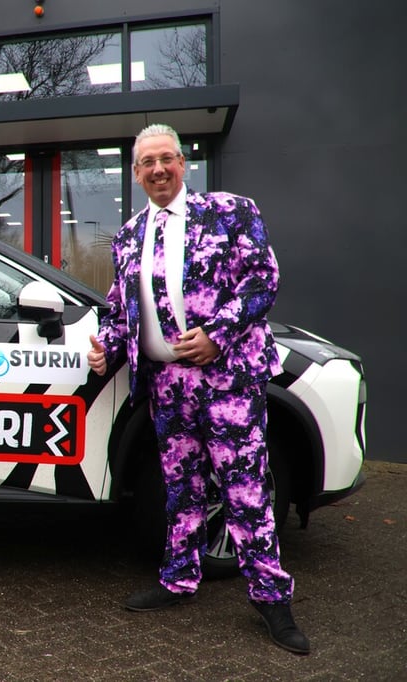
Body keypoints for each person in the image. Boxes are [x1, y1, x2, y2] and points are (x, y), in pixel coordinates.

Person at [87, 124, 310, 655]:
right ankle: (178, 578)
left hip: (227, 380)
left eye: (166, 158)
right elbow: (120, 311)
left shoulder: (230, 212)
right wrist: (106, 349)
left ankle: (271, 599)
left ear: (183, 163)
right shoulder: (128, 236)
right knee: (180, 488)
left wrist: (217, 335)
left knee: (245, 489)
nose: (158, 169)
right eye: (147, 163)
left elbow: (262, 279)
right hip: (166, 386)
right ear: (136, 173)